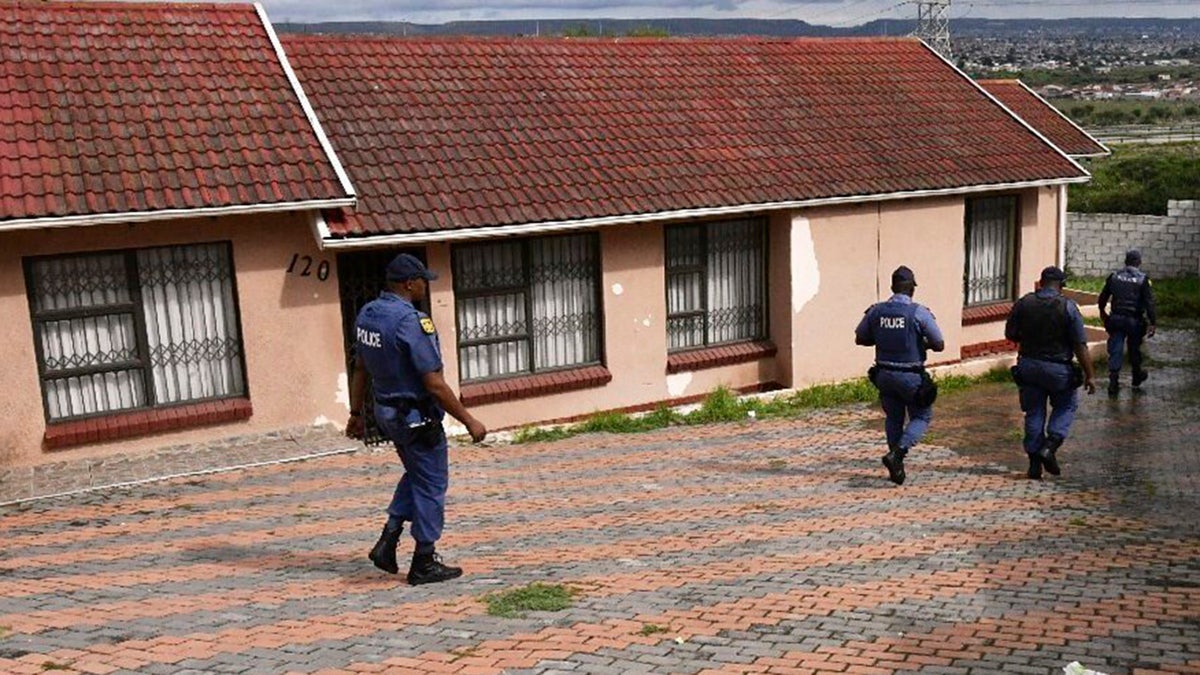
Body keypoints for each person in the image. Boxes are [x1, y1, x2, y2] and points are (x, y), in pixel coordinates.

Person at [347, 253, 487, 585]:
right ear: (409, 284)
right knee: (432, 484)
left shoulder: (368, 314)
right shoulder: (411, 322)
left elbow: (361, 368)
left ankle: (389, 537)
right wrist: (469, 420)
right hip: (416, 416)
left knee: (417, 473)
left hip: (386, 413)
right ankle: (424, 560)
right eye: (423, 280)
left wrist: (355, 413)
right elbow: (434, 383)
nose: (426, 285)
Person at [855, 265, 945, 485]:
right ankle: (898, 453)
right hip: (910, 376)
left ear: (892, 287)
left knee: (894, 418)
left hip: (884, 374)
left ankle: (895, 468)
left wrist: (883, 338)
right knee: (922, 416)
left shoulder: (876, 311)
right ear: (911, 289)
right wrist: (922, 343)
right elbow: (939, 343)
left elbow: (861, 337)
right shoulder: (918, 312)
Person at [1005, 266, 1096, 480]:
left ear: (1041, 282)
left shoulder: (1024, 303)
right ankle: (1050, 446)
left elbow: (1010, 333)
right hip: (1058, 369)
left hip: (1028, 366)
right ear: (1061, 286)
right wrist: (1090, 374)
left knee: (1034, 412)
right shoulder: (1068, 307)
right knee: (1066, 405)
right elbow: (1080, 345)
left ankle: (1034, 465)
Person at [1097, 249, 1157, 396]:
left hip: (1116, 319)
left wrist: (1102, 312)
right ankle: (1136, 377)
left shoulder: (1114, 277)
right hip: (1134, 321)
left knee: (1116, 349)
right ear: (1139, 262)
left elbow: (1103, 297)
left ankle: (1113, 381)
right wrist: (1152, 322)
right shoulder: (1143, 279)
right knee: (1134, 349)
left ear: (1125, 262)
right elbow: (1149, 303)